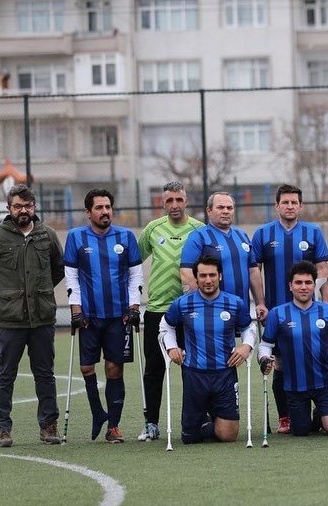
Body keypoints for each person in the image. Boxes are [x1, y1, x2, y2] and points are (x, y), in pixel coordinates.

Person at [0, 184, 65, 447]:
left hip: (42, 318)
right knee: (5, 375)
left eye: (27, 206)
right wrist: (6, 295)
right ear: (9, 208)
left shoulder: (47, 235)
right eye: (17, 206)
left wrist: (42, 290)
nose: (23, 210)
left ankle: (48, 427)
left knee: (45, 375)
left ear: (34, 207)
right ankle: (2, 430)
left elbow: (57, 269)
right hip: (9, 320)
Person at [64, 188, 143, 443]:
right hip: (88, 316)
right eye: (99, 208)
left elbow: (135, 275)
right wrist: (75, 309)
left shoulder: (126, 236)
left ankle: (114, 427)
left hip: (118, 316)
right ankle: (98, 413)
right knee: (87, 367)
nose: (105, 211)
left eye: (108, 207)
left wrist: (133, 307)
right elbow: (72, 277)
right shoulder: (76, 237)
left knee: (113, 369)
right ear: (88, 212)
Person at [252, 184, 328, 435]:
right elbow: (255, 271)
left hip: (311, 311)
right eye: (284, 202)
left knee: (317, 357)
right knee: (281, 364)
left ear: (300, 206)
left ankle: (323, 410)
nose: (289, 206)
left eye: (294, 202)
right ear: (276, 205)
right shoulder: (263, 234)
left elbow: (323, 270)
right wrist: (261, 303)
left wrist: (325, 303)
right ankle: (285, 416)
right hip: (278, 312)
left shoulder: (313, 232)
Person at [159, 255, 256, 444]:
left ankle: (210, 423)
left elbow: (248, 328)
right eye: (203, 276)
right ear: (196, 277)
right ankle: (198, 423)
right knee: (189, 438)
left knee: (228, 436)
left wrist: (246, 346)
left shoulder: (235, 303)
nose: (208, 280)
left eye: (212, 275)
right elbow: (166, 326)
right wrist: (172, 348)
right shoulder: (183, 303)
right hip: (194, 374)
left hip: (225, 374)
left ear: (220, 276)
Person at [136, 181, 204, 441]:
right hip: (158, 309)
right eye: (169, 201)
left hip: (192, 310)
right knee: (154, 369)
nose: (174, 205)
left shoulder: (200, 229)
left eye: (179, 200)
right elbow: (135, 262)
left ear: (186, 201)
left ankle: (199, 420)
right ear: (162, 203)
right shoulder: (153, 229)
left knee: (195, 368)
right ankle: (151, 423)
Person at [258, 261, 328, 437]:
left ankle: (322, 413)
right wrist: (264, 359)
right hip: (294, 386)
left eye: (308, 283)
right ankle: (313, 418)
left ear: (315, 285)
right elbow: (265, 345)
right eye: (298, 283)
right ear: (290, 286)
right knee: (300, 431)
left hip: (325, 382)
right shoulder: (277, 313)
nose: (304, 287)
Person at [180, 192, 266, 321]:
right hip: (212, 313)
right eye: (220, 207)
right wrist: (198, 306)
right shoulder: (198, 236)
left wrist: (260, 303)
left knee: (245, 341)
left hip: (242, 310)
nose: (226, 211)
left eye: (229, 208)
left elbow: (253, 271)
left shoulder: (242, 235)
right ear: (209, 211)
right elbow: (186, 273)